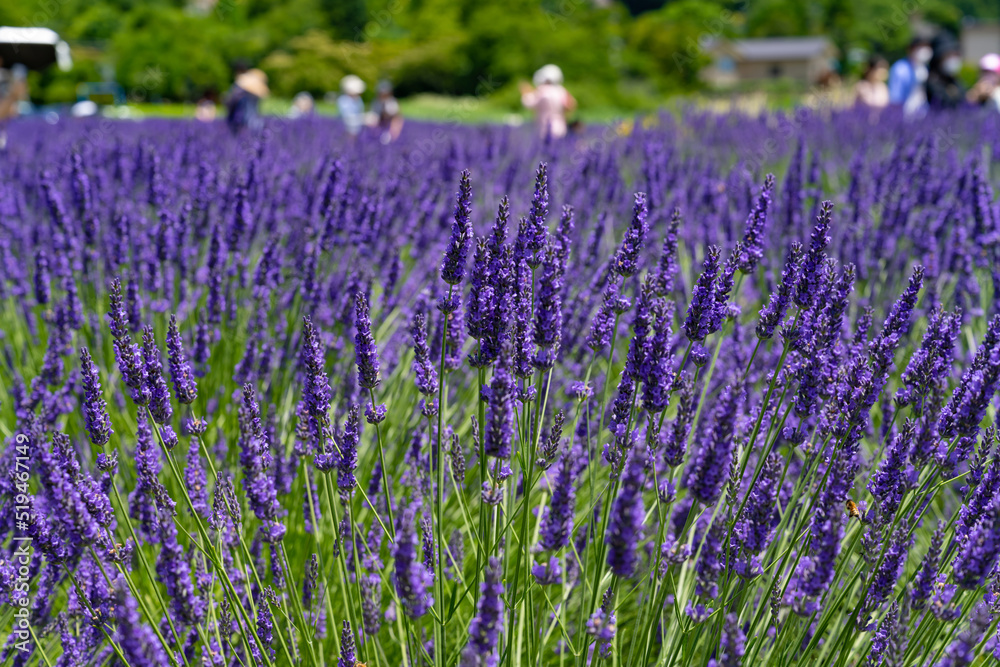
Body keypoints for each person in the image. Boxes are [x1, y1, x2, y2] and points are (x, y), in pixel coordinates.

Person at [520, 64, 576, 139]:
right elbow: (571, 105)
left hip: (544, 128)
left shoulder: (542, 90)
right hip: (560, 127)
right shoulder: (561, 91)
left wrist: (525, 92)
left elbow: (528, 103)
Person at [888, 37, 932, 116]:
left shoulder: (926, 68)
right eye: (920, 47)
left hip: (923, 112)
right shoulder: (900, 68)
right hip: (905, 112)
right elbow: (895, 97)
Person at [225, 68, 268, 133]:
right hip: (255, 120)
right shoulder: (256, 94)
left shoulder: (241, 92)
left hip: (243, 120)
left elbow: (230, 102)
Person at [926, 39, 966, 109]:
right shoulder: (932, 80)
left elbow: (963, 97)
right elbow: (945, 103)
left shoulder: (953, 79)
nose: (953, 59)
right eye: (949, 55)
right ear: (939, 59)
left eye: (955, 55)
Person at [369, 80, 402, 144]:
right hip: (379, 123)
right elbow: (373, 115)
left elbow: (397, 117)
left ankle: (392, 139)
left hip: (390, 123)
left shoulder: (393, 102)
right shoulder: (375, 102)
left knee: (396, 122)